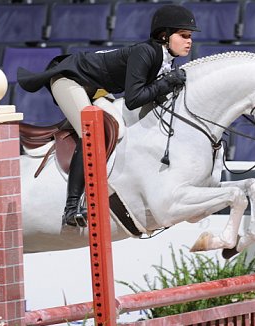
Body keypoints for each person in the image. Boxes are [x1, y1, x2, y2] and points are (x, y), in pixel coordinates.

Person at [17, 4, 199, 227]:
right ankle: (71, 208)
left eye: (189, 36)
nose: (189, 41)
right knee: (91, 132)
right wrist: (167, 83)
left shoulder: (165, 58)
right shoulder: (146, 52)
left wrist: (168, 84)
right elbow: (133, 100)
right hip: (71, 80)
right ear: (164, 35)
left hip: (97, 88)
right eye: (184, 35)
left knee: (116, 125)